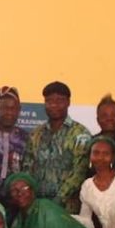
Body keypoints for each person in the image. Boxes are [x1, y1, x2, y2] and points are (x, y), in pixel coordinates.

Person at [22, 81, 91, 214]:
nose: (54, 105)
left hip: (67, 209)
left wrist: (58, 200)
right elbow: (27, 168)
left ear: (68, 102)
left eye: (59, 100)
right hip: (37, 206)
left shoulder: (80, 133)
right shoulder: (36, 134)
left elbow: (79, 172)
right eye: (49, 101)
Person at [0, 86, 29, 196]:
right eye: (4, 108)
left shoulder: (26, 139)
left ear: (19, 110)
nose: (9, 112)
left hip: (17, 198)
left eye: (13, 108)